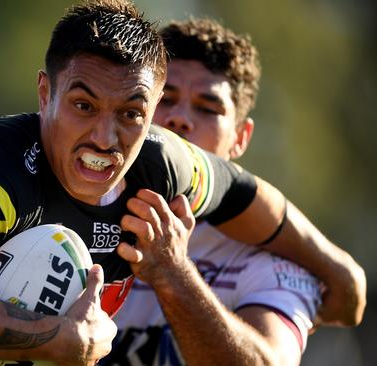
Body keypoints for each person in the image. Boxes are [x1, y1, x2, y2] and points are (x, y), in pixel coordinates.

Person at [0, 2, 363, 365]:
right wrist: (57, 337)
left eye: (132, 113)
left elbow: (249, 195)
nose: (104, 137)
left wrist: (337, 269)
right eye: (83, 105)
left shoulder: (164, 164)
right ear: (45, 94)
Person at [104, 18, 366, 366]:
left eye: (208, 108)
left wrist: (173, 273)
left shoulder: (269, 259)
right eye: (165, 99)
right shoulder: (77, 203)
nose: (180, 119)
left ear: (241, 137)